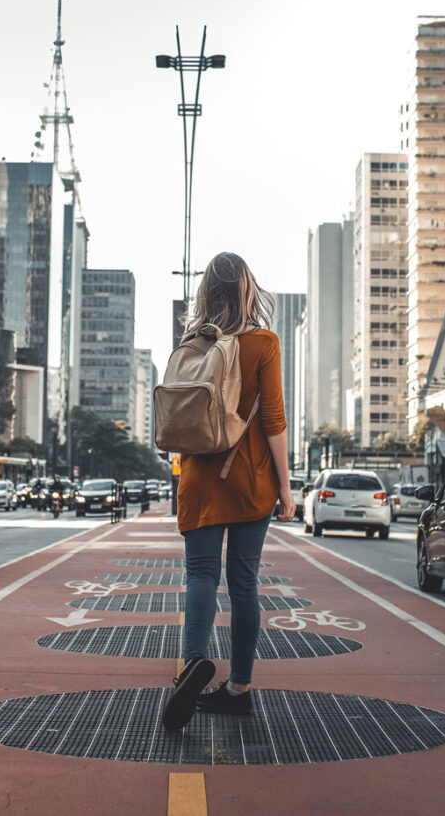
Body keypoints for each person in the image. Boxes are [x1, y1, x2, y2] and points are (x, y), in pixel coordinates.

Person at [162, 252, 295, 733]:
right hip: (250, 481)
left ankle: (193, 664)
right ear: (247, 289)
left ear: (206, 292)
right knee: (243, 584)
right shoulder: (264, 342)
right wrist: (286, 488)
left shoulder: (192, 343)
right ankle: (238, 688)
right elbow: (274, 422)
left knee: (199, 576)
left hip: (199, 479)